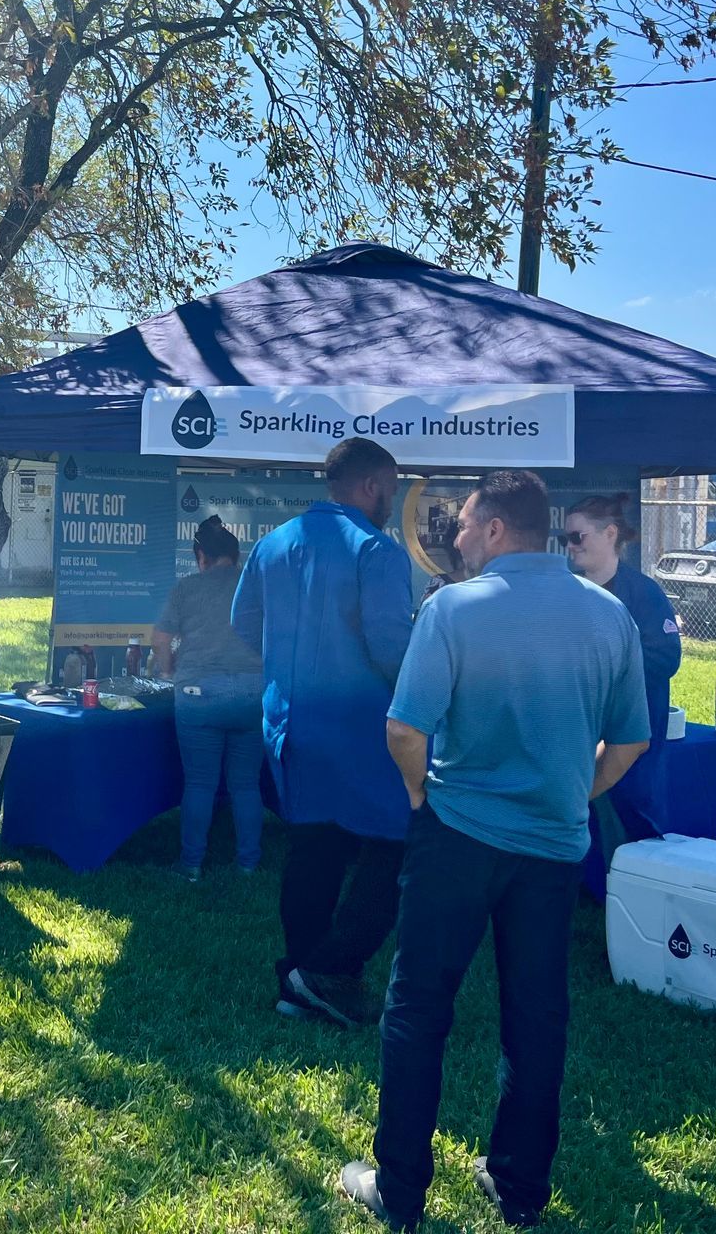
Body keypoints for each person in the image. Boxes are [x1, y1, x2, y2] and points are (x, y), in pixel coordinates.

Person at [341, 470, 649, 1231]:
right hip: (551, 847)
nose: (456, 535)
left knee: (417, 1009)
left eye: (466, 523)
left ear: (500, 529)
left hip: (457, 835)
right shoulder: (610, 616)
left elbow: (404, 729)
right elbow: (632, 737)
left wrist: (419, 795)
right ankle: (518, 1188)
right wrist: (574, 792)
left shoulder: (453, 608)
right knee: (536, 1019)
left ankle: (400, 1191)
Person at [230, 436, 414, 1026]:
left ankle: (296, 980)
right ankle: (329, 971)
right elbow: (392, 648)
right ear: (370, 487)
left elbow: (243, 623)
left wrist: (287, 663)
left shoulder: (273, 543)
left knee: (312, 851)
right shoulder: (376, 551)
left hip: (289, 726)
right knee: (395, 849)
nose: (392, 500)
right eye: (390, 488)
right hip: (361, 733)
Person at [564, 492, 683, 853]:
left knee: (629, 824)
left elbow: (665, 659)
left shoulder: (644, 594)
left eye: (577, 537)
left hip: (628, 737)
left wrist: (604, 669)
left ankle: (628, 894)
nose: (569, 547)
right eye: (564, 539)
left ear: (610, 533)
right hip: (577, 731)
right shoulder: (568, 593)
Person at [151, 515, 265, 879]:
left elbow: (160, 640)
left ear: (201, 556)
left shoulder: (186, 588)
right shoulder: (257, 588)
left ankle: (191, 866)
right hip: (252, 693)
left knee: (200, 783)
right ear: (238, 555)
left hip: (198, 694)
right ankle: (248, 864)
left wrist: (168, 672)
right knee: (246, 784)